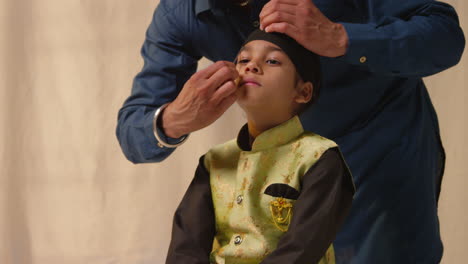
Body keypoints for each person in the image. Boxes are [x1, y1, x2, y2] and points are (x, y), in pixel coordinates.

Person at [116, 0, 465, 263]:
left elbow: (444, 36)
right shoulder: (181, 13)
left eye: (271, 61)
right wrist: (174, 118)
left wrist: (342, 38)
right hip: (275, 178)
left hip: (382, 158)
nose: (251, 67)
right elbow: (134, 132)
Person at [165, 29, 355, 264]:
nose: (250, 66)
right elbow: (186, 248)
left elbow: (302, 249)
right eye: (243, 60)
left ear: (303, 92)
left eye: (272, 60)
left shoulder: (319, 158)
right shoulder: (214, 161)